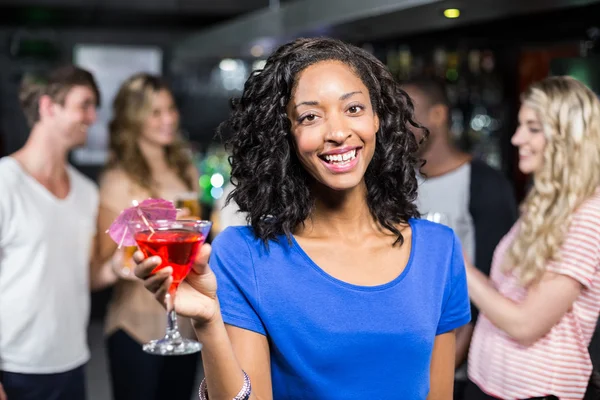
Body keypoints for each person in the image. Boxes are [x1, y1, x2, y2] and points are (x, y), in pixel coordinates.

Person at [134, 37, 470, 399]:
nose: (338, 132)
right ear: (286, 135)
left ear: (377, 119)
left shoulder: (439, 249)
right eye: (310, 116)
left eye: (354, 108)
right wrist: (209, 321)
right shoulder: (244, 255)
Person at [464, 76, 600, 400]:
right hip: (490, 382)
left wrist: (461, 269)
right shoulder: (544, 204)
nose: (516, 138)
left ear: (569, 137)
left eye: (533, 128)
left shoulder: (588, 216)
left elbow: (526, 325)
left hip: (535, 392)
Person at [0, 65, 117, 400]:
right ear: (48, 107)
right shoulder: (5, 183)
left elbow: (90, 275)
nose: (92, 117)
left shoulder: (86, 191)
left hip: (72, 362)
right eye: (85, 104)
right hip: (14, 368)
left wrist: (122, 266)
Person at [402, 78, 518, 398]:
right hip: (407, 357)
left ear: (438, 115)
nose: (398, 125)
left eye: (407, 114)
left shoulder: (484, 184)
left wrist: (443, 369)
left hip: (464, 370)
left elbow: (493, 285)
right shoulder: (394, 184)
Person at [96, 73, 201, 400]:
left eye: (170, 109)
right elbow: (102, 266)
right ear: (134, 119)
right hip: (134, 327)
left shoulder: (187, 171)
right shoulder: (117, 181)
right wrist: (124, 263)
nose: (168, 119)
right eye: (156, 112)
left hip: (184, 326)